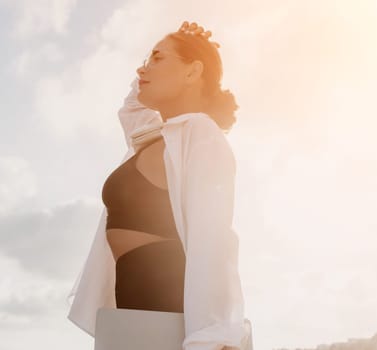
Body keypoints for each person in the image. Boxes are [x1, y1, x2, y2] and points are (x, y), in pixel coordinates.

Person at [67, 21, 252, 350]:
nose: (143, 67)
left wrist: (210, 337)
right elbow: (132, 106)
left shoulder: (199, 134)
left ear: (192, 73)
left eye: (157, 58)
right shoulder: (153, 137)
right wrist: (170, 47)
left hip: (168, 307)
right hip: (133, 308)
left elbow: (212, 239)